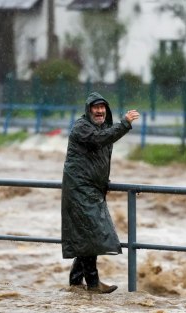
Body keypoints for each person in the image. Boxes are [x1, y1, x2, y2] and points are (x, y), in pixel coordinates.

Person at [61, 92, 140, 294]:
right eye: (95, 108)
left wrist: (103, 180)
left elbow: (96, 157)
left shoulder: (101, 127)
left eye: (102, 107)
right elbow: (99, 140)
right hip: (80, 189)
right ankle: (93, 283)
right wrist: (124, 124)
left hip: (91, 189)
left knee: (88, 235)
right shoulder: (82, 127)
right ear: (88, 110)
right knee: (92, 234)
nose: (99, 111)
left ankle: (76, 282)